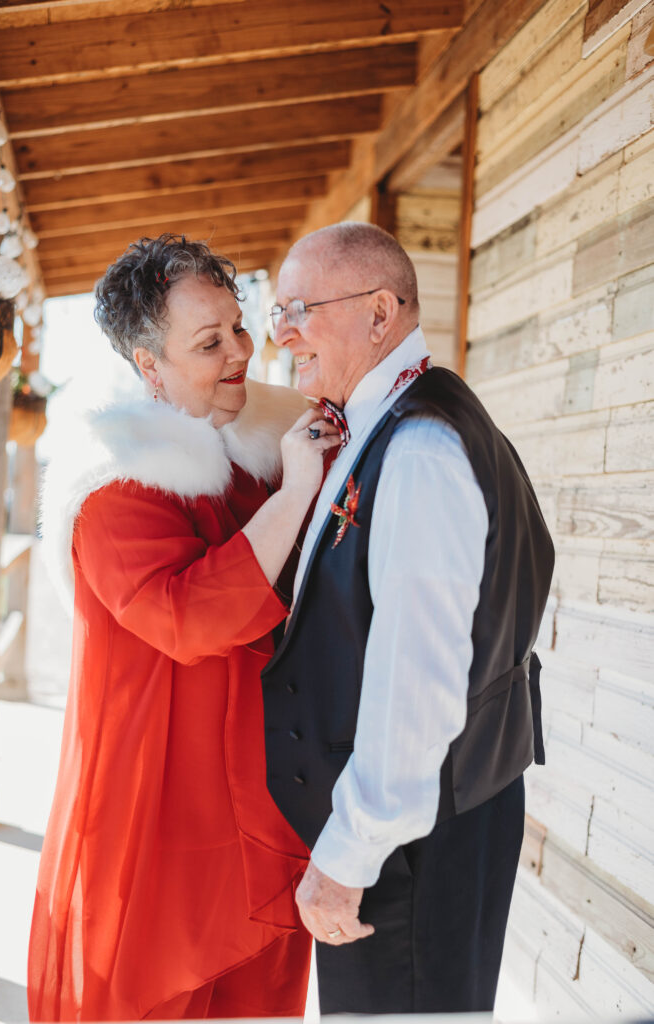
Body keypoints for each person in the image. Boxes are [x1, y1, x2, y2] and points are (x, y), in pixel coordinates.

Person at [28, 235, 340, 1021]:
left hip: (261, 806)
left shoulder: (259, 454)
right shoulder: (114, 488)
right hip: (157, 820)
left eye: (238, 328)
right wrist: (296, 492)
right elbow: (192, 618)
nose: (239, 352)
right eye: (209, 342)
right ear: (147, 366)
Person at [261, 222, 555, 1014]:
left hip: (411, 842)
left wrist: (348, 855)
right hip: (413, 826)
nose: (281, 332)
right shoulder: (394, 424)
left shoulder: (421, 448)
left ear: (380, 312)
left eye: (299, 308)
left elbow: (414, 679)